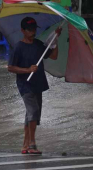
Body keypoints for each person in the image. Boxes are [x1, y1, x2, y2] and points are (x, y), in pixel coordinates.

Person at [7, 17, 62, 155]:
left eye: (34, 29)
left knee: (31, 114)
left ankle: (25, 145)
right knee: (33, 110)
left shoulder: (38, 44)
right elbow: (11, 67)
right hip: (25, 84)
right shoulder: (18, 48)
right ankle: (32, 144)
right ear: (22, 31)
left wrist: (55, 39)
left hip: (38, 83)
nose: (32, 32)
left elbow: (54, 56)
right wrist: (27, 70)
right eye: (29, 30)